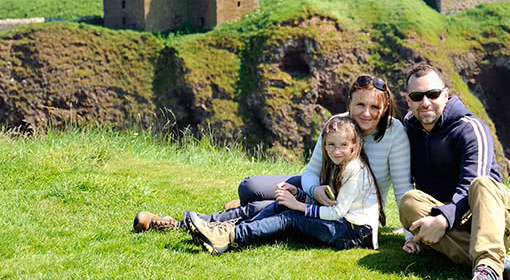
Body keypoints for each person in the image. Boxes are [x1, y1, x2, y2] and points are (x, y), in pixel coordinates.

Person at [134, 75, 413, 241]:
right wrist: (313, 189)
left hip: (347, 208)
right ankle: (204, 219)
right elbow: (311, 171)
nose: (366, 113)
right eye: (360, 104)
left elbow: (403, 190)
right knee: (249, 188)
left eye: (374, 106)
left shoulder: (394, 132)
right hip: (320, 192)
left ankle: (181, 223)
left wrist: (410, 236)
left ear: (385, 107)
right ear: (349, 103)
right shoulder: (338, 124)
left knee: (265, 208)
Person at [398, 63, 510, 280]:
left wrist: (442, 220)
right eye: (417, 96)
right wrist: (413, 234)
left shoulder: (470, 128)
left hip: (493, 216)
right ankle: (501, 264)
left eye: (433, 94)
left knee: (482, 183)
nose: (425, 102)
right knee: (409, 202)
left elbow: (473, 183)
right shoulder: (409, 130)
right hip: (452, 220)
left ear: (445, 94)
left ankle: (489, 273)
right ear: (408, 100)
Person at [182, 116, 384, 254]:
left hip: (354, 233)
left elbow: (337, 212)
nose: (336, 151)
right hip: (342, 222)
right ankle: (226, 230)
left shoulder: (354, 171)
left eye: (343, 145)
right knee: (282, 204)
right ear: (324, 145)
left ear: (354, 146)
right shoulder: (338, 163)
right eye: (331, 145)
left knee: (290, 218)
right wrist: (298, 193)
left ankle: (230, 236)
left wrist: (298, 205)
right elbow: (330, 202)